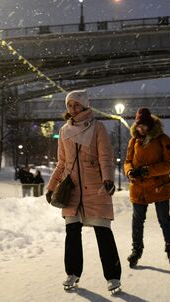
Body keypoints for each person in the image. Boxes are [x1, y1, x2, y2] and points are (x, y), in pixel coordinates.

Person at [45, 90, 121, 292]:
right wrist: (51, 187)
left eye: (76, 104)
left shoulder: (98, 128)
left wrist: (107, 179)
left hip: (95, 187)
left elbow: (105, 156)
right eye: (69, 105)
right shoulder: (64, 131)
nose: (72, 108)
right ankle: (72, 273)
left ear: (85, 105)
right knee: (72, 233)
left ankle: (113, 277)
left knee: (103, 232)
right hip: (71, 189)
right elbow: (62, 163)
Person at [124, 107, 170, 268]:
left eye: (144, 126)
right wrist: (129, 172)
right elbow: (128, 161)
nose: (141, 129)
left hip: (158, 187)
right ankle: (136, 250)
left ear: (150, 125)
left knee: (164, 220)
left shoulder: (162, 139)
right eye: (138, 126)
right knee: (137, 221)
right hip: (138, 187)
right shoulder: (133, 141)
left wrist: (148, 171)